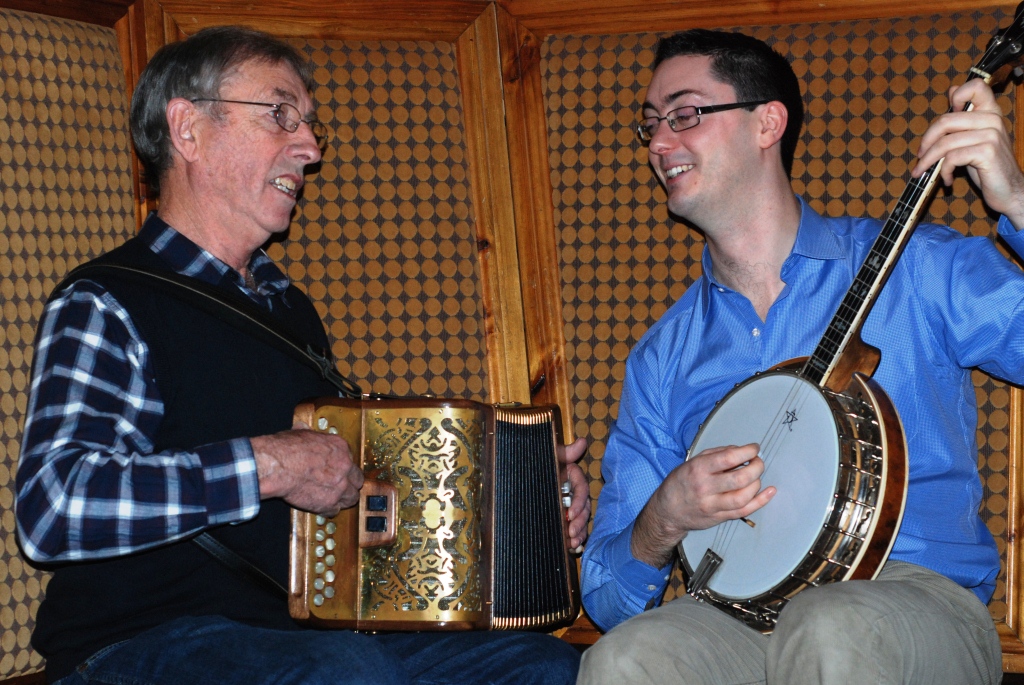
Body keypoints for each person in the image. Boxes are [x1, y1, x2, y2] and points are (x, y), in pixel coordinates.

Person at [15, 25, 590, 685]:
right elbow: (53, 509)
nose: (310, 148)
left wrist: (524, 506)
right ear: (188, 129)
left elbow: (345, 514)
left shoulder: (289, 310)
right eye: (280, 115)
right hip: (128, 646)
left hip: (302, 641)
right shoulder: (107, 302)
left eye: (311, 125)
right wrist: (269, 464)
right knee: (348, 672)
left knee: (541, 663)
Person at [577, 28, 1024, 685]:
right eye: (652, 124)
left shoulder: (915, 265)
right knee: (621, 661)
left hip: (914, 599)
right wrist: (663, 518)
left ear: (767, 122)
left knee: (828, 625)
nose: (661, 142)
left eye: (685, 114)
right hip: (739, 615)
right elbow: (609, 598)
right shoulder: (661, 357)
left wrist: (1016, 198)